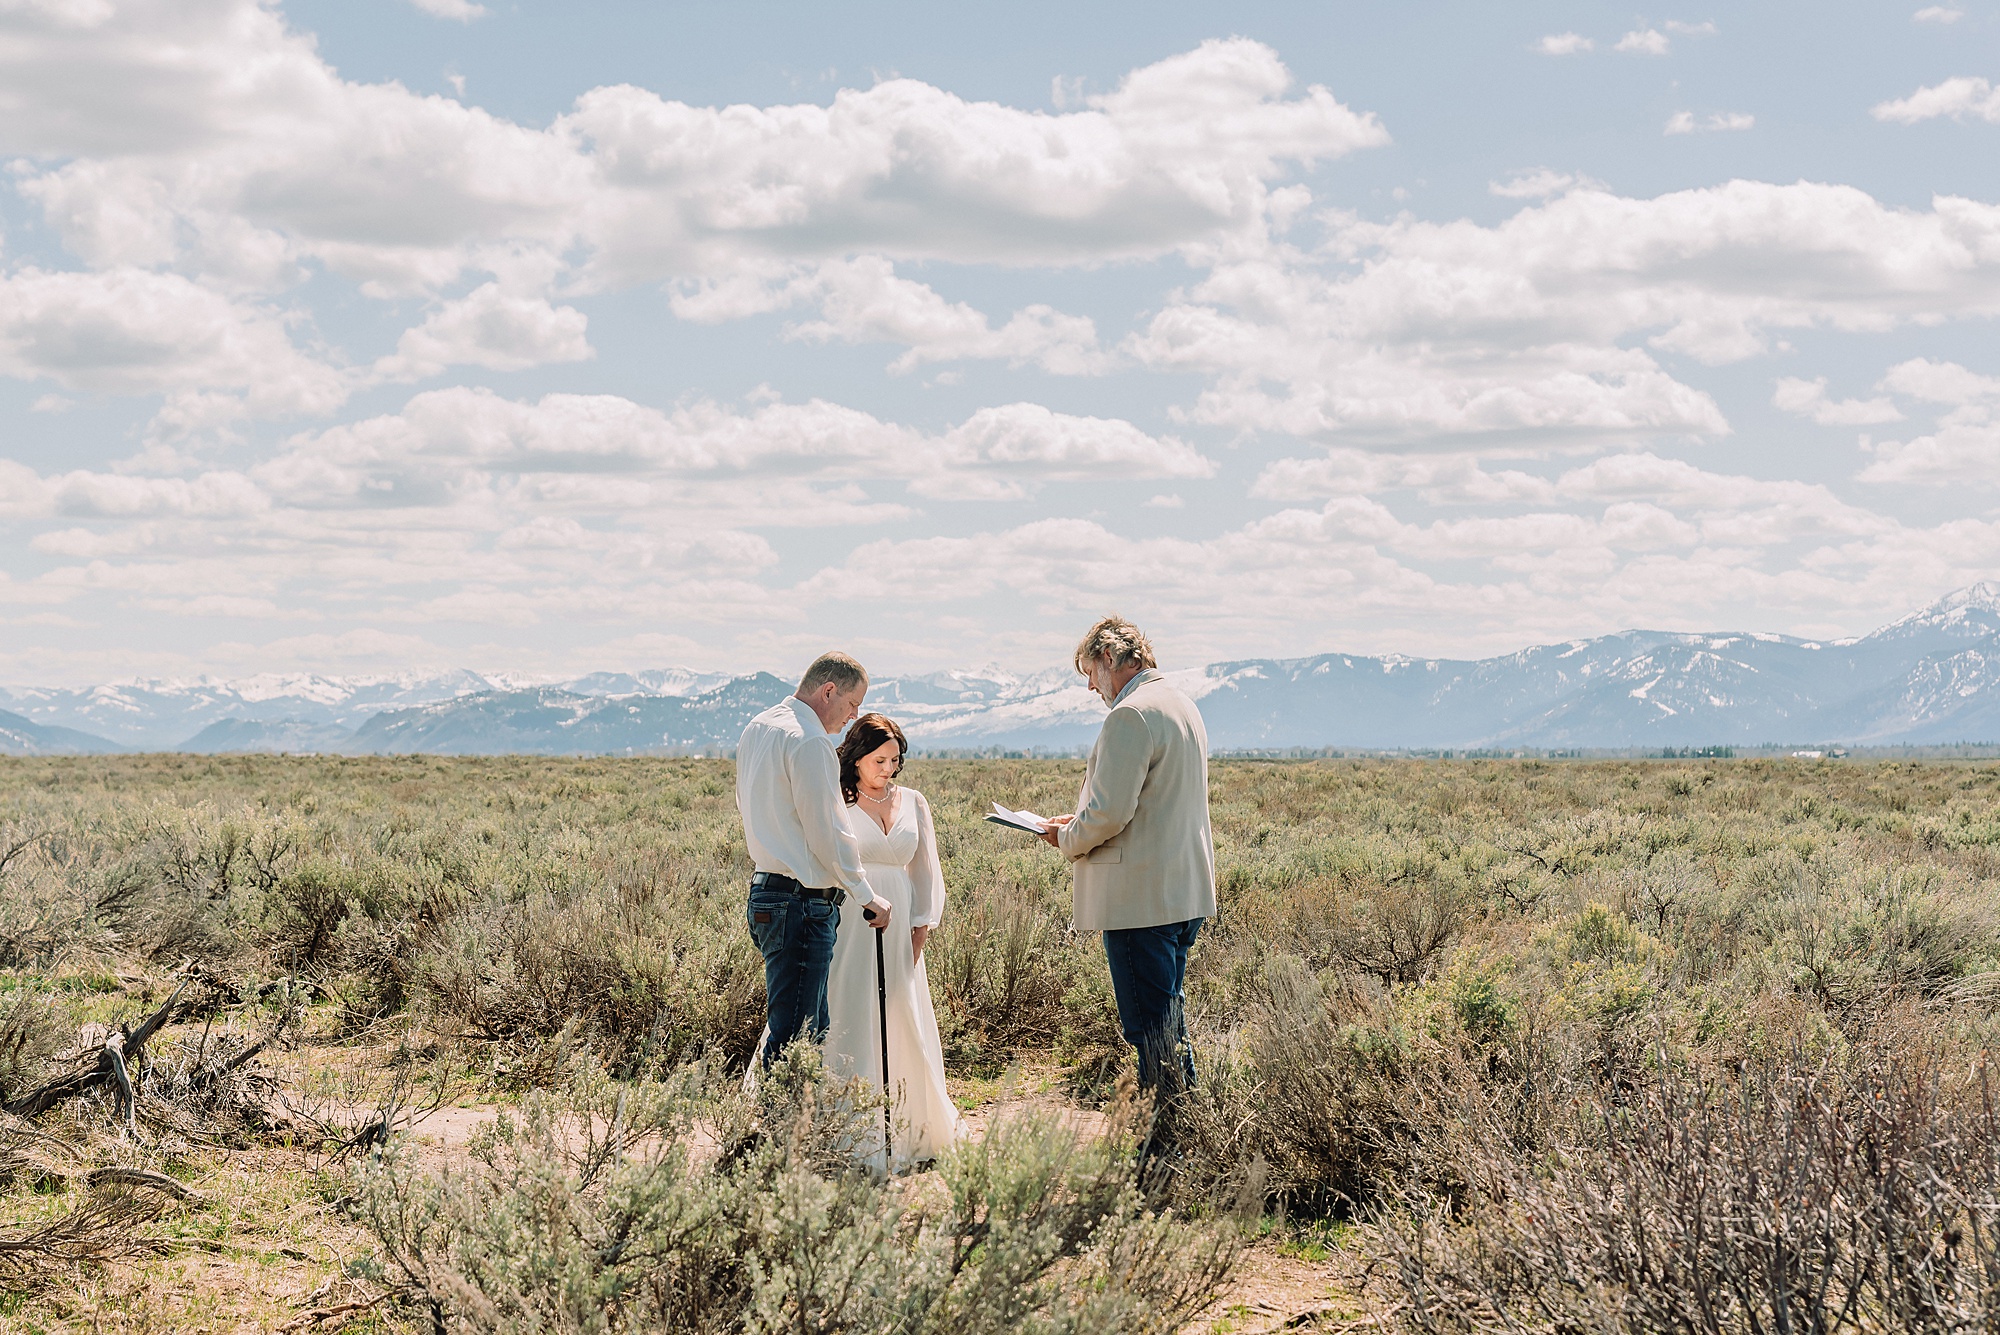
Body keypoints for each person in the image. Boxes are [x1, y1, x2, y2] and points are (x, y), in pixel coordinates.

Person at [1040, 616, 1215, 1133]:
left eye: (1090, 672)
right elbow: (1149, 804)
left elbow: (1112, 814)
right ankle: (1190, 1136)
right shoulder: (1182, 705)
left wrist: (1067, 839)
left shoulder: (1130, 715)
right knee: (1168, 1025)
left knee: (1149, 1032)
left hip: (1141, 900)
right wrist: (1083, 821)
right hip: (1182, 892)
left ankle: (1165, 1149)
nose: (1091, 686)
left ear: (1112, 658)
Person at [737, 652, 893, 1069]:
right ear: (829, 690)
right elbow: (827, 832)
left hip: (766, 893)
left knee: (795, 1025)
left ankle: (786, 1127)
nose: (853, 715)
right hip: (801, 903)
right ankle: (777, 1132)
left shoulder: (759, 727)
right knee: (799, 1036)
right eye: (852, 703)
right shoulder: (809, 740)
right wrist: (866, 894)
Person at [824, 713, 959, 1170]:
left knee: (901, 1013)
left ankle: (909, 1126)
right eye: (879, 760)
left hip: (900, 923)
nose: (888, 769)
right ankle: (844, 1127)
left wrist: (920, 927)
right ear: (857, 758)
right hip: (850, 920)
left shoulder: (914, 801)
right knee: (849, 1008)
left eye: (895, 760)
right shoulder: (836, 800)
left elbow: (925, 870)